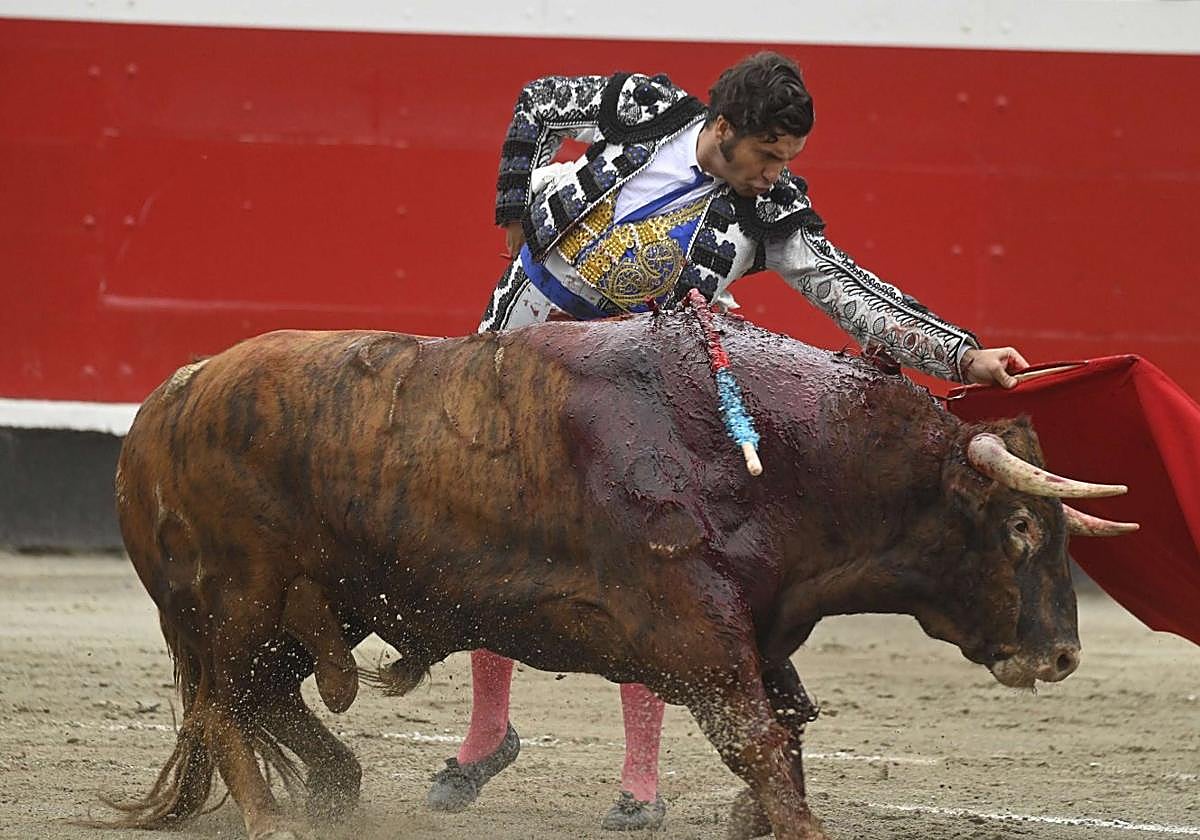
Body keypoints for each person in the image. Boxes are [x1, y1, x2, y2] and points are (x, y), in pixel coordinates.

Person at [427, 51, 1029, 830]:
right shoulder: (646, 106)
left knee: (646, 561)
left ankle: (640, 777)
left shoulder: (769, 214)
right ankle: (486, 733)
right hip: (513, 344)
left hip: (621, 401)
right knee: (487, 530)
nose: (779, 175)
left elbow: (849, 292)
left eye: (790, 160)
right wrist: (515, 215)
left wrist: (962, 353)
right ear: (721, 128)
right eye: (768, 156)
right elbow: (539, 103)